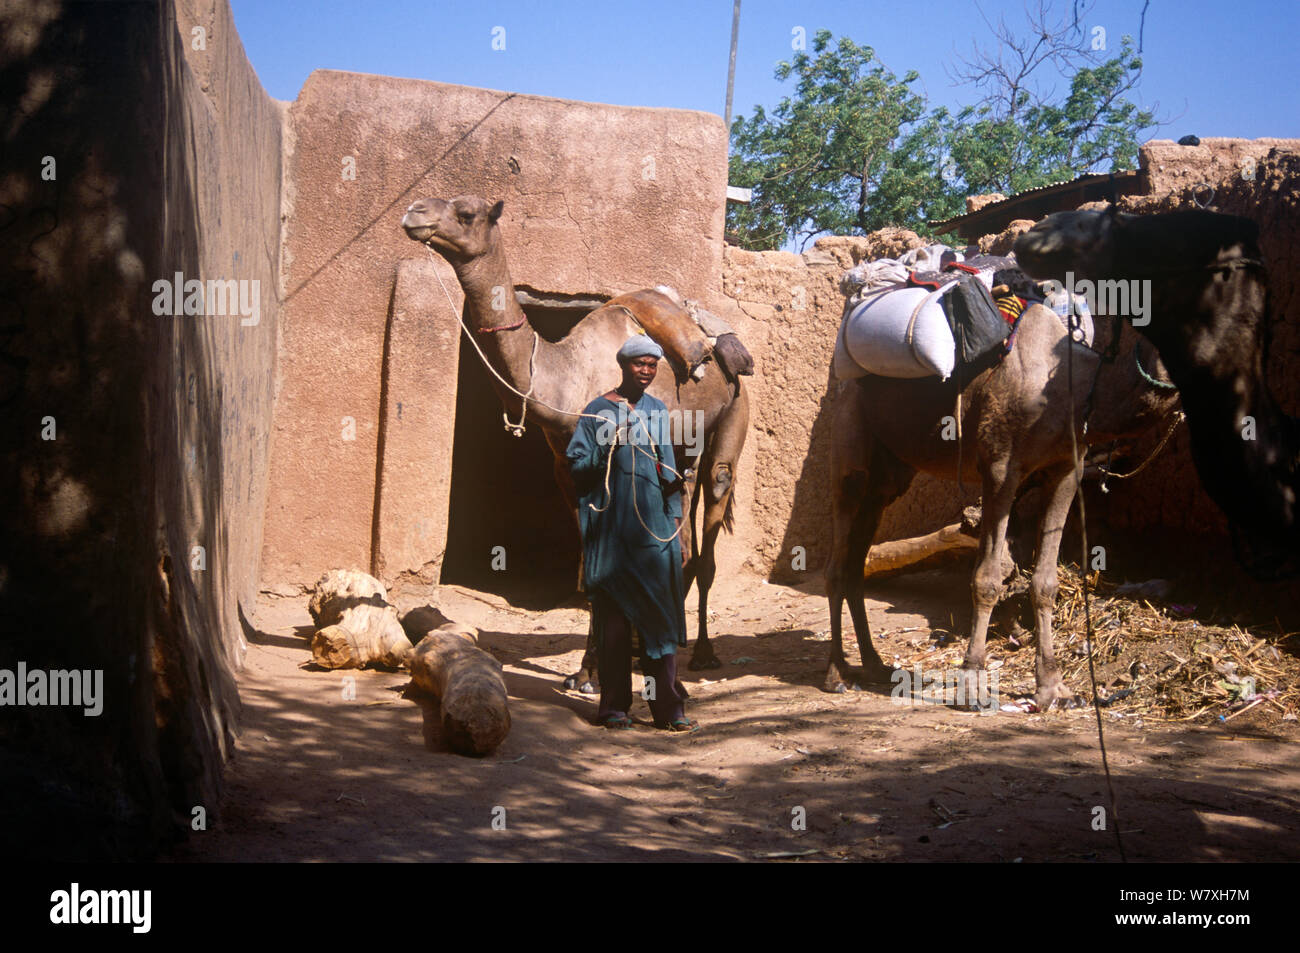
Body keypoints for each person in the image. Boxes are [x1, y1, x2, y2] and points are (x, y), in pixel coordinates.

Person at [565, 334, 695, 731]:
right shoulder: (597, 411)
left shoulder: (657, 411)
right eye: (640, 364)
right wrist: (605, 447)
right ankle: (614, 708)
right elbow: (576, 469)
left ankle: (667, 710)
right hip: (611, 533)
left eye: (652, 366)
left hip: (654, 534)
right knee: (615, 626)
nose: (646, 371)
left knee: (660, 626)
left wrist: (678, 528)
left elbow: (669, 474)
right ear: (624, 366)